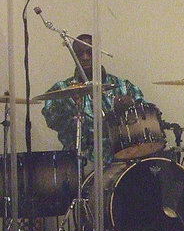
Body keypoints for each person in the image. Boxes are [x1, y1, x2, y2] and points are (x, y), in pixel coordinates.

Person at [41, 34, 146, 164]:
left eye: (89, 52)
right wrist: (72, 117)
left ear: (99, 54)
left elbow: (145, 113)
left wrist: (130, 106)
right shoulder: (63, 89)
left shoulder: (122, 86)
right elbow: (51, 118)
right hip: (80, 161)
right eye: (79, 54)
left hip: (120, 159)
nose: (85, 58)